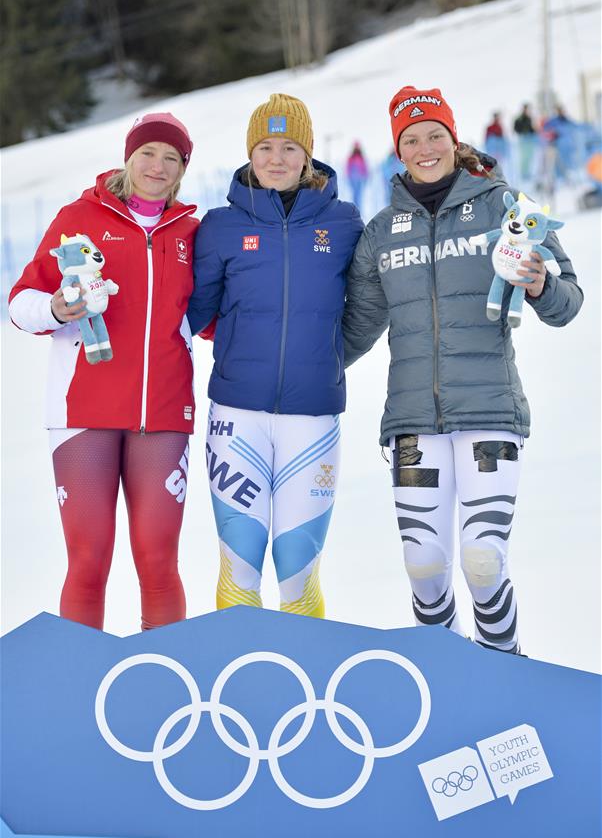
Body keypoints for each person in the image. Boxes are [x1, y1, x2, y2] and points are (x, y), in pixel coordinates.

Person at [342, 86, 583, 654]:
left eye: (435, 135)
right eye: (411, 139)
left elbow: (567, 302)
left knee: (481, 558)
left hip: (490, 414)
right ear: (397, 152)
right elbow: (354, 330)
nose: (425, 148)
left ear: (454, 140)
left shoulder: (505, 207)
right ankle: (446, 675)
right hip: (413, 422)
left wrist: (542, 284)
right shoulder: (381, 232)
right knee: (423, 564)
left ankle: (504, 671)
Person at [9, 113, 200, 631]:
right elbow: (20, 300)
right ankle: (79, 689)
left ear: (183, 168)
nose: (157, 166)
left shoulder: (189, 232)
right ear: (128, 157)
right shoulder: (81, 217)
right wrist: (54, 308)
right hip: (82, 416)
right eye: (147, 153)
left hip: (161, 417)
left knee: (159, 562)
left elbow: (212, 319)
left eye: (171, 158)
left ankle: (167, 686)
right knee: (88, 560)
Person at [187, 93, 363, 617]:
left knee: (296, 566)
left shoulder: (345, 223)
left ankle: (305, 684)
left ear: (308, 154)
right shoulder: (220, 226)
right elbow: (192, 314)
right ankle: (238, 681)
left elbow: (368, 308)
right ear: (249, 153)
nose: (277, 159)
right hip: (237, 416)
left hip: (313, 419)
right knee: (240, 562)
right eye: (265, 146)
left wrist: (328, 357)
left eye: (289, 147)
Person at [513, 103, 537, 182]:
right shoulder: (519, 119)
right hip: (523, 140)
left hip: (530, 140)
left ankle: (527, 173)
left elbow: (532, 129)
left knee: (529, 156)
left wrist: (534, 131)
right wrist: (522, 132)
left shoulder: (529, 119)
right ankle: (523, 173)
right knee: (524, 157)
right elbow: (516, 128)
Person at [346, 141, 369, 211]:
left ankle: (359, 209)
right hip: (353, 179)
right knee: (355, 194)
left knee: (359, 195)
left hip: (360, 179)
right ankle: (354, 209)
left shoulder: (361, 157)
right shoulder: (351, 158)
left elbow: (365, 168)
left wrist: (366, 176)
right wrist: (348, 176)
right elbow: (348, 168)